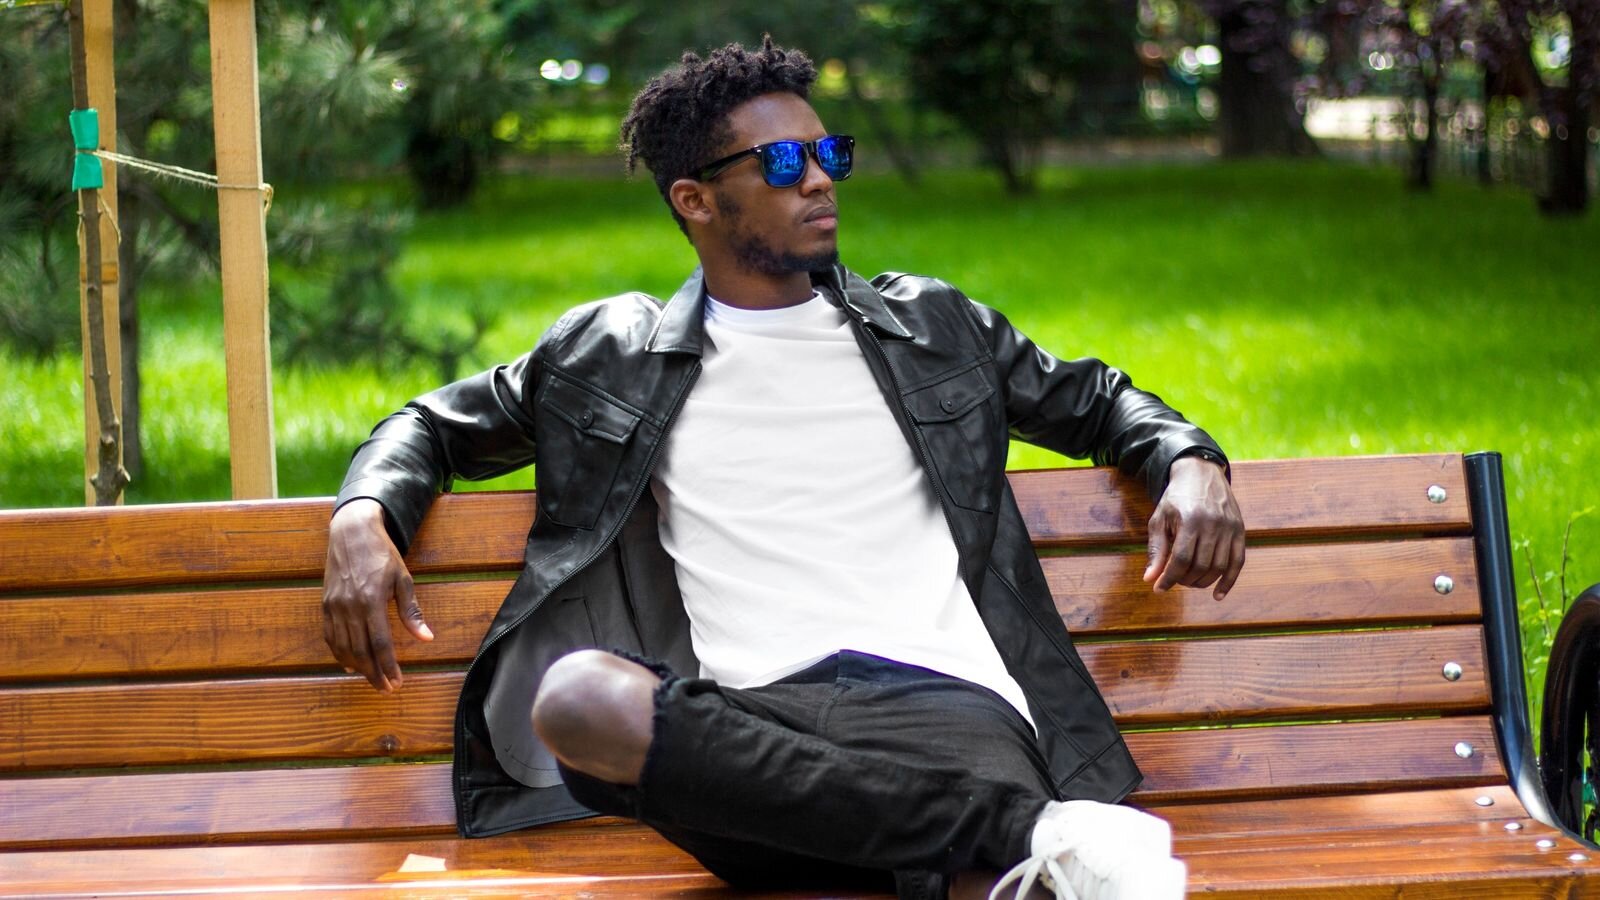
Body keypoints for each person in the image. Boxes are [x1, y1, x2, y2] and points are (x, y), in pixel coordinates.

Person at [321, 38, 1245, 900]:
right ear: (694, 200)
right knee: (577, 699)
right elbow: (431, 426)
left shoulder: (932, 327)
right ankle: (1031, 838)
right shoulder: (608, 356)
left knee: (925, 861)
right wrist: (363, 513)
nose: (818, 179)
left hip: (942, 709)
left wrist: (1191, 461)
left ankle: (1001, 841)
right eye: (781, 162)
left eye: (828, 154)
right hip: (749, 736)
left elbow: (1099, 401)